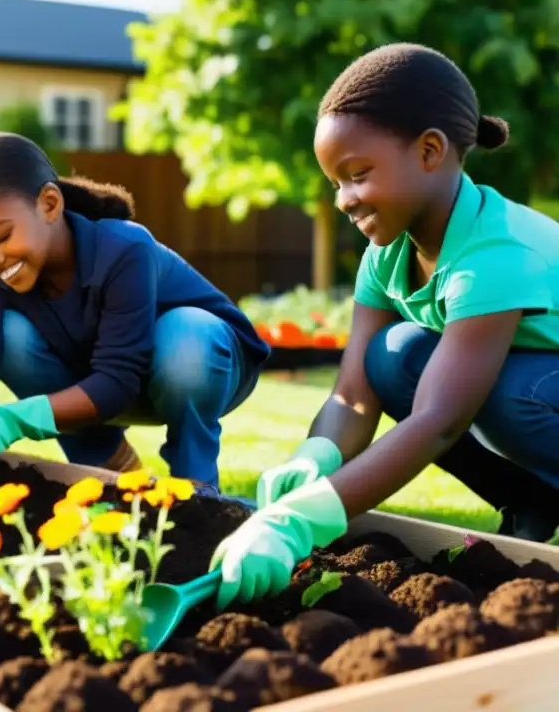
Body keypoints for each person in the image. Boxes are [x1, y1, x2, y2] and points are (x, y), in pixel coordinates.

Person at [208, 42, 559, 610]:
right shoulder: (388, 254)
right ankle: (532, 504)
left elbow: (440, 421)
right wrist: (315, 456)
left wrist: (301, 521)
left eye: (357, 174)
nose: (344, 199)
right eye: (335, 183)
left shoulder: (494, 252)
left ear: (429, 151)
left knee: (504, 392)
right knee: (393, 357)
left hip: (540, 388)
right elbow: (354, 394)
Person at [0, 132, 271, 490]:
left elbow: (118, 379)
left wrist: (15, 420)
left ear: (49, 204)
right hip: (103, 379)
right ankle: (111, 471)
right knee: (9, 334)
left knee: (185, 335)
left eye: (1, 236)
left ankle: (196, 490)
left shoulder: (123, 249)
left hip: (202, 367)